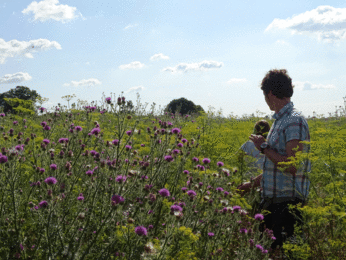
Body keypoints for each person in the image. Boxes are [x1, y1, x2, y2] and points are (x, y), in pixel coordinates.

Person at [237, 69, 311, 251]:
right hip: (272, 201)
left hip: (287, 205)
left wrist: (264, 147)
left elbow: (291, 166)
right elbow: (274, 165)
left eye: (265, 95)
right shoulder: (279, 121)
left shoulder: (294, 121)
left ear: (270, 93)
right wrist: (250, 184)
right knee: (269, 252)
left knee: (284, 253)